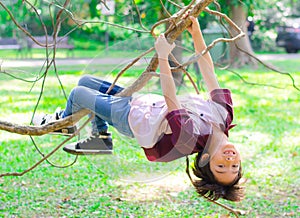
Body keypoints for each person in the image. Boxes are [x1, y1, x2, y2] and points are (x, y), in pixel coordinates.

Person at [33, 16, 245, 202]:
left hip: (132, 118)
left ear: (206, 159)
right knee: (86, 81)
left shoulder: (190, 136)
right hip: (141, 103)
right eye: (234, 167)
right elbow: (209, 71)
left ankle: (64, 123)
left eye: (221, 168)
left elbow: (171, 98)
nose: (229, 161)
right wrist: (196, 32)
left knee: (78, 94)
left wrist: (162, 56)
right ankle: (101, 139)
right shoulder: (224, 115)